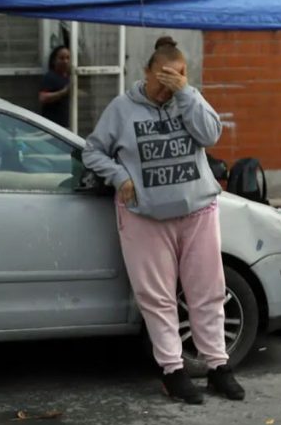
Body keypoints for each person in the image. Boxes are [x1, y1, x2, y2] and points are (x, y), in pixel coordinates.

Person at [82, 37, 245, 405]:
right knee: (156, 297)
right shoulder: (122, 108)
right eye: (161, 79)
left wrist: (186, 93)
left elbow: (211, 134)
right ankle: (173, 371)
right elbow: (92, 150)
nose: (165, 88)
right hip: (145, 215)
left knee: (208, 291)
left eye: (176, 78)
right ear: (147, 72)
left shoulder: (188, 100)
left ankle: (218, 367)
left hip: (197, 210)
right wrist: (120, 176)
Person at [39, 45, 71, 128]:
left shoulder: (69, 77)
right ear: (54, 60)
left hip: (66, 125)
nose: (65, 61)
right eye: (61, 58)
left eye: (68, 58)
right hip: (53, 126)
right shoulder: (50, 77)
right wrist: (63, 92)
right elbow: (43, 97)